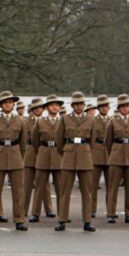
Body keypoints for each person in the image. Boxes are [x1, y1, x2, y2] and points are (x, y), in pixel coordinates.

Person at [0, 91, 28, 231]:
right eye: (5, 102)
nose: (8, 104)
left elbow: (23, 142)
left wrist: (17, 153)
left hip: (15, 155)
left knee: (18, 192)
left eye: (10, 102)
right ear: (1, 105)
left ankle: (19, 220)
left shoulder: (20, 120)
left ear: (14, 104)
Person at [56, 91, 96, 231]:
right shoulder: (65, 119)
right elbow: (59, 140)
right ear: (72, 105)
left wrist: (85, 150)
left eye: (81, 104)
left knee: (87, 191)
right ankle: (62, 219)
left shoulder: (91, 120)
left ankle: (87, 221)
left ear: (84, 105)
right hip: (69, 154)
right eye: (76, 104)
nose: (79, 106)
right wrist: (67, 150)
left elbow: (92, 141)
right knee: (65, 190)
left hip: (85, 155)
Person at [30, 95, 63, 223]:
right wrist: (41, 151)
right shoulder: (40, 122)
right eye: (52, 105)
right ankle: (35, 213)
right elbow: (35, 140)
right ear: (47, 107)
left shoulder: (63, 121)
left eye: (57, 105)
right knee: (40, 187)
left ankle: (62, 213)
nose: (55, 107)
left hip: (58, 155)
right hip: (43, 154)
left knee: (60, 187)